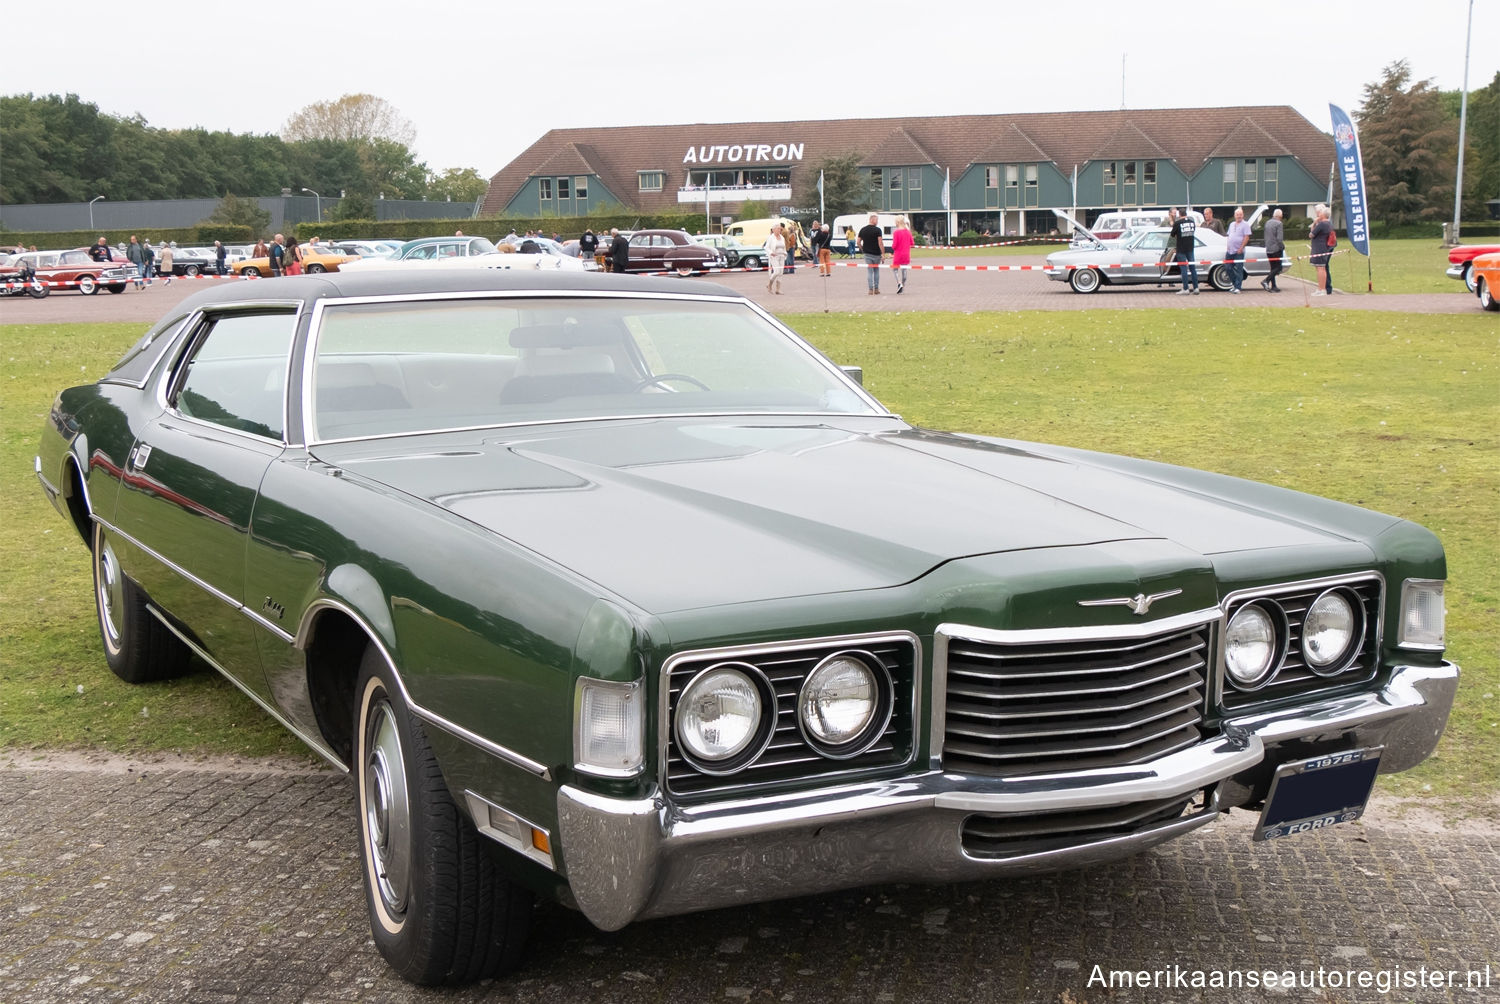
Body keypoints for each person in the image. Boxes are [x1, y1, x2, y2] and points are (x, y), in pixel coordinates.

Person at [1170, 208, 1199, 295]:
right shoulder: (1192, 222)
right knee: (1193, 268)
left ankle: (1185, 289)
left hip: (1181, 249)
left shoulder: (1178, 223)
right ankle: (1196, 288)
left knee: (1183, 269)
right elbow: (1193, 232)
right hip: (1190, 248)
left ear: (1179, 214)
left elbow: (1172, 234)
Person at [1225, 207, 1251, 293]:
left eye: (1240, 214)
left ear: (1243, 215)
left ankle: (1238, 287)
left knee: (1239, 269)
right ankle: (1234, 284)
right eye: (1237, 215)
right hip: (1230, 251)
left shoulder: (1246, 224)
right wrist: (1228, 245)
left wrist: (1241, 248)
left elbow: (1246, 237)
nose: (1239, 216)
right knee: (1228, 267)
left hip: (1239, 251)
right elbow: (1229, 235)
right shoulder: (1232, 224)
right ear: (1234, 215)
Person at [1309, 204, 1334, 296]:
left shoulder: (1322, 224)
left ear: (1322, 214)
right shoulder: (1328, 224)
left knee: (1320, 268)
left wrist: (1315, 223)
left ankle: (1321, 289)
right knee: (1322, 268)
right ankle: (1322, 288)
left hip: (1319, 248)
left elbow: (1311, 234)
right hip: (1324, 247)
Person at [858, 214, 885, 294]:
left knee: (869, 271)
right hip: (876, 254)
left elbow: (858, 242)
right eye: (876, 220)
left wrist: (862, 248)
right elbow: (880, 243)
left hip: (867, 254)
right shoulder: (877, 230)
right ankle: (876, 289)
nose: (877, 222)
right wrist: (883, 254)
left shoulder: (863, 229)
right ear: (872, 220)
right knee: (876, 271)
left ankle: (870, 289)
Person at [1261, 209, 1284, 292]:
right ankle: (1266, 280)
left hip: (1268, 249)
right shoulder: (1279, 223)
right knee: (1278, 267)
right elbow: (1279, 239)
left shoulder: (1267, 223)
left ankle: (1273, 286)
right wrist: (1282, 247)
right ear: (1280, 216)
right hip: (1276, 249)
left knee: (1272, 268)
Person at [891, 215, 914, 294]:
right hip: (906, 254)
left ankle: (899, 283)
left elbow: (894, 245)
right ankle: (903, 285)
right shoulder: (908, 232)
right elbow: (912, 243)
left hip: (898, 254)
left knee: (895, 269)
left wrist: (892, 249)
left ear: (897, 222)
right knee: (904, 270)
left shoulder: (896, 232)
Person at [764, 223, 787, 294]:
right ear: (773, 230)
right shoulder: (771, 238)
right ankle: (769, 284)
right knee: (776, 271)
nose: (779, 230)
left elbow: (784, 247)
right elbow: (766, 247)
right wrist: (771, 252)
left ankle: (778, 289)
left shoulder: (782, 237)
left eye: (780, 229)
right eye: (778, 229)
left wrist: (784, 253)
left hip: (782, 256)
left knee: (780, 273)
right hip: (774, 257)